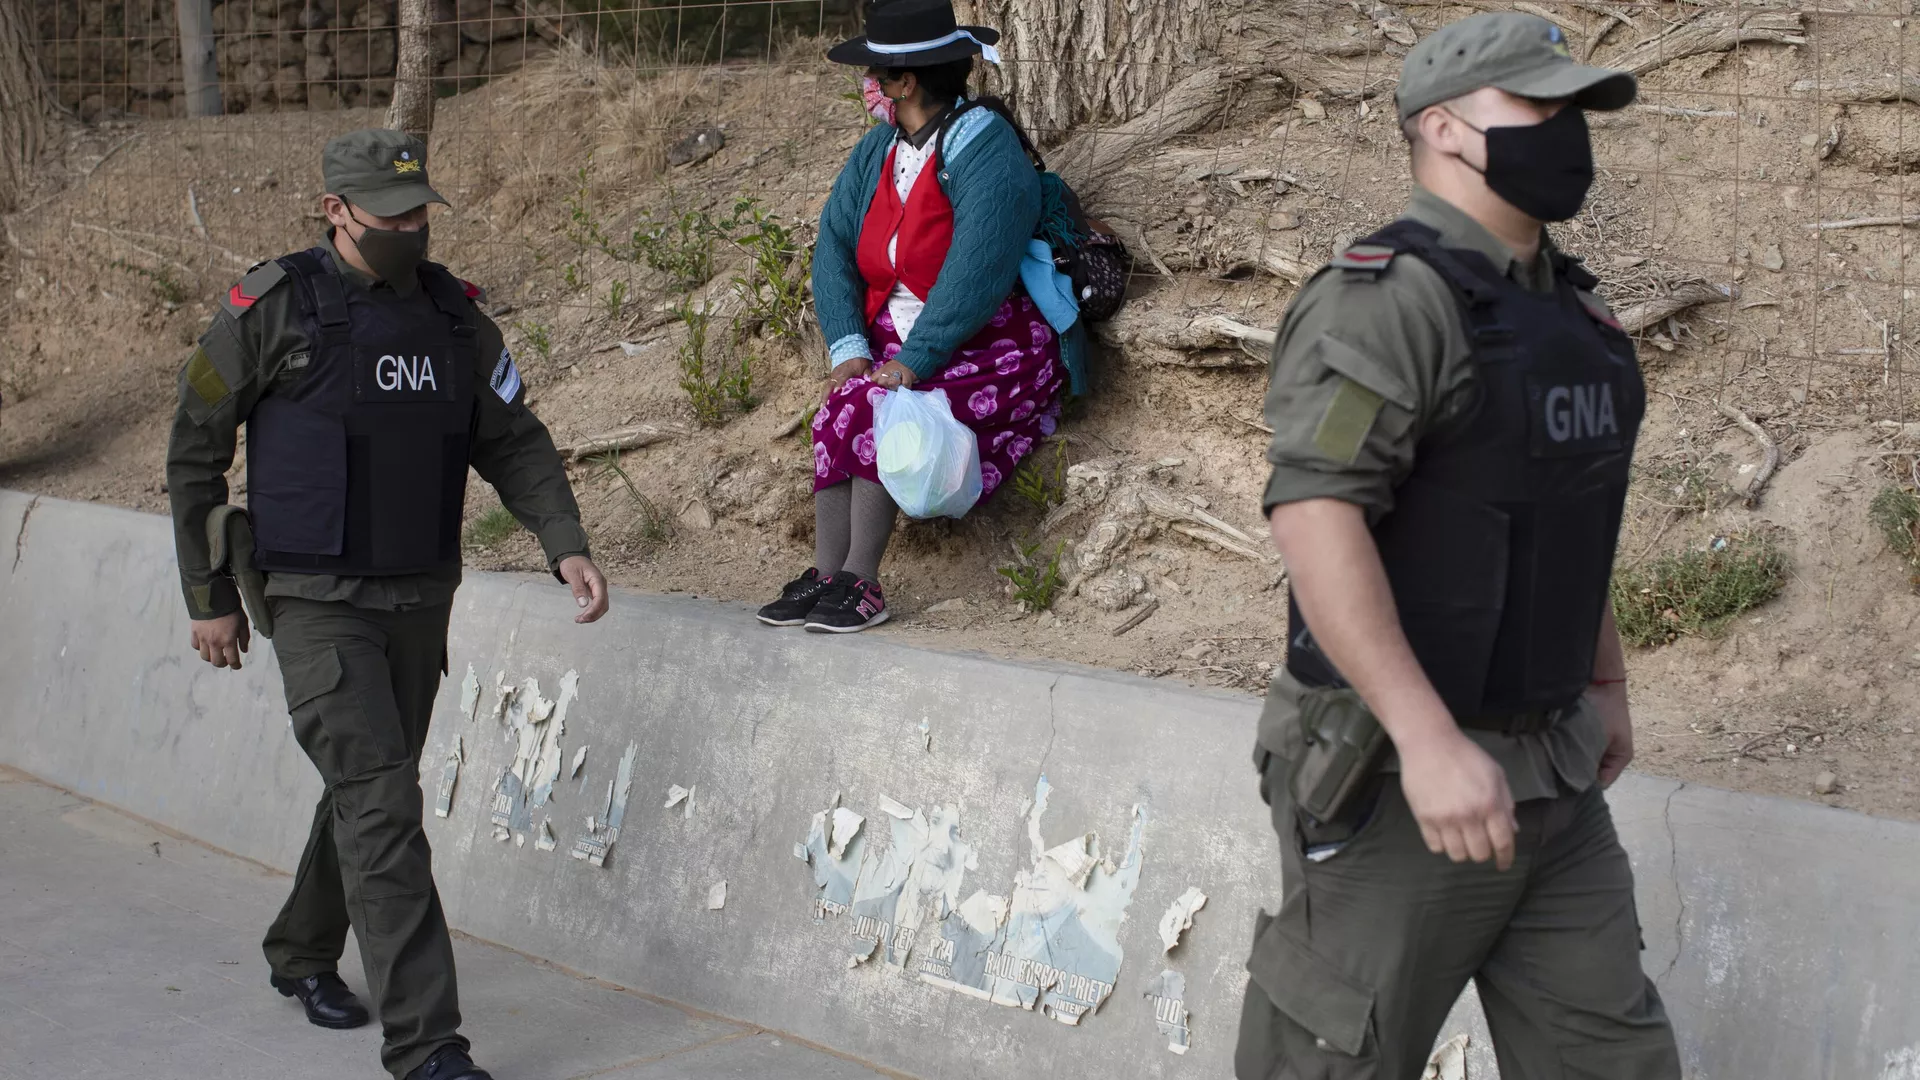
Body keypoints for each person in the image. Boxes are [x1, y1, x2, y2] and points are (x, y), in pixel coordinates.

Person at [1237, 14, 1682, 1080]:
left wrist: (1602, 679)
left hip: (1553, 775)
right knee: (1330, 1063)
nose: (1564, 130)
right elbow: (1316, 516)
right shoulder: (1387, 299)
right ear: (1441, 127)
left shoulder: (1570, 308)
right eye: (1537, 107)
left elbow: (1564, 509)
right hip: (1397, 779)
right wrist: (1428, 740)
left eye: (1572, 108)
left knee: (1615, 1063)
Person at [166, 128, 610, 1080]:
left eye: (420, 212)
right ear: (335, 211)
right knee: (382, 806)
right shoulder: (272, 307)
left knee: (369, 794)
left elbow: (515, 438)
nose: (412, 228)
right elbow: (195, 446)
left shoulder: (455, 318)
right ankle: (428, 1048)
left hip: (418, 593)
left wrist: (563, 544)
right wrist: (208, 596)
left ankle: (299, 952)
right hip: (313, 596)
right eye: (391, 215)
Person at [756, 0, 1089, 634]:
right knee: (840, 403)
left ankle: (861, 580)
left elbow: (977, 272)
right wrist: (850, 344)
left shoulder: (986, 149)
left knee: (877, 408)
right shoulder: (879, 150)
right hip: (898, 330)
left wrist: (913, 361)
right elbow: (833, 246)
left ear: (906, 82)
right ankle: (826, 576)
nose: (870, 87)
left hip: (986, 340)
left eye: (878, 75)